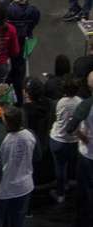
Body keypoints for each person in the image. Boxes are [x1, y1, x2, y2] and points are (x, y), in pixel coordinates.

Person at [0, 106, 36, 227]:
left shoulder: (2, 140)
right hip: (24, 184)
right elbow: (37, 156)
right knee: (18, 218)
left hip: (4, 187)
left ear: (6, 122)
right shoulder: (30, 135)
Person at [5, 0, 40, 101]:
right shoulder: (34, 11)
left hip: (9, 42)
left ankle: (6, 89)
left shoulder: (8, 10)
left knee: (10, 67)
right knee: (20, 66)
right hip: (25, 41)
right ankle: (19, 95)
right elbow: (35, 23)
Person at [50, 75, 80, 204]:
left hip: (59, 140)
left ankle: (60, 194)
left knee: (60, 167)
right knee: (73, 165)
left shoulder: (60, 102)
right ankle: (71, 185)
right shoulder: (80, 102)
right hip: (74, 141)